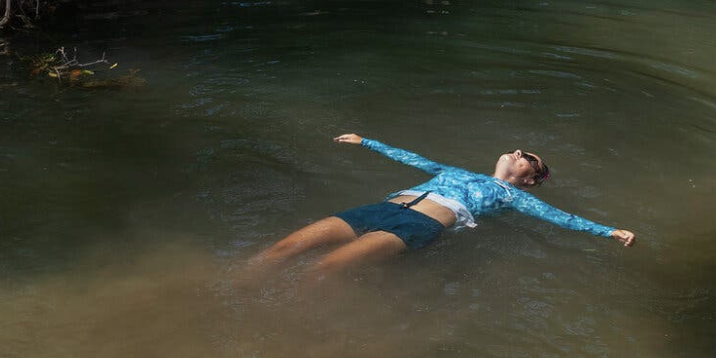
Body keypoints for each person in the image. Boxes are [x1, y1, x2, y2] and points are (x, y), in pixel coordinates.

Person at [251, 134, 636, 277]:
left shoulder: (514, 195)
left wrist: (608, 230)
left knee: (325, 267)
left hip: (418, 225)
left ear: (531, 179)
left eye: (527, 159)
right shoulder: (453, 170)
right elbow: (412, 158)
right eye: (520, 150)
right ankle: (238, 284)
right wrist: (367, 142)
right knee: (284, 248)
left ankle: (287, 324)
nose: (518, 153)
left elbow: (559, 217)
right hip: (379, 209)